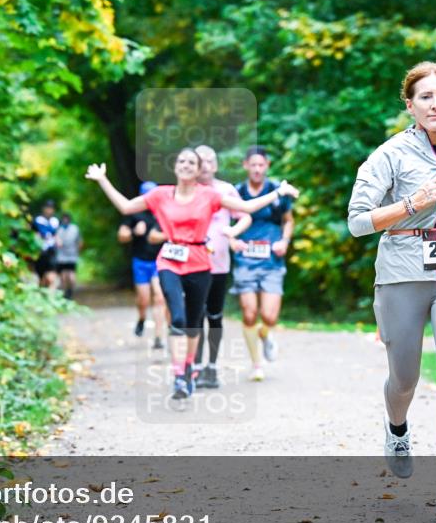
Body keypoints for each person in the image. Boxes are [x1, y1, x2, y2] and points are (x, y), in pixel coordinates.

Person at [346, 61, 436, 521]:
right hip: (402, 274)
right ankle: (396, 427)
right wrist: (412, 203)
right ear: (409, 105)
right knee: (405, 378)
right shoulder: (388, 155)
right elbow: (357, 222)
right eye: (426, 97)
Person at [85, 149, 300, 401]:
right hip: (170, 261)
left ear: (199, 171)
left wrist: (278, 192)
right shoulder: (161, 194)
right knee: (178, 317)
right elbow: (125, 206)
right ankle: (179, 376)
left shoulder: (210, 195)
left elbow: (246, 207)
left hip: (200, 262)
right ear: (175, 167)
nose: (186, 165)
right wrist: (102, 180)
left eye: (192, 163)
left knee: (195, 322)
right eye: (182, 161)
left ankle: (189, 368)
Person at [229, 146, 294, 382]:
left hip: (271, 260)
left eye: (261, 165)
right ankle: (256, 364)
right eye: (252, 165)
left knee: (269, 316)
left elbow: (288, 221)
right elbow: (225, 223)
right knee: (249, 313)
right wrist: (233, 240)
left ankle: (265, 334)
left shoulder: (278, 190)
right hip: (244, 259)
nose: (257, 169)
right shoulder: (235, 193)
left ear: (266, 166)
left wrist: (284, 241)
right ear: (246, 165)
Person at [192, 145, 252, 389]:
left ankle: (212, 367)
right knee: (194, 318)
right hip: (191, 266)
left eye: (210, 160)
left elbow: (245, 216)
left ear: (215, 165)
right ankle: (194, 367)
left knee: (214, 317)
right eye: (201, 160)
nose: (205, 165)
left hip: (218, 265)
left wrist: (233, 232)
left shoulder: (226, 190)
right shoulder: (187, 190)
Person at [118, 181, 167, 350]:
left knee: (160, 298)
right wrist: (133, 232)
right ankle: (141, 318)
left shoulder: (164, 213)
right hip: (140, 261)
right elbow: (121, 236)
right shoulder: (134, 214)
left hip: (159, 261)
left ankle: (159, 337)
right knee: (143, 299)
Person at [32, 200, 60, 289]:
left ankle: (50, 294)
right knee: (40, 275)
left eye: (51, 208)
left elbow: (55, 234)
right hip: (40, 250)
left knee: (51, 275)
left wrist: (58, 240)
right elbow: (34, 233)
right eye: (47, 208)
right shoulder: (38, 220)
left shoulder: (55, 221)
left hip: (51, 250)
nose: (49, 210)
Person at [55, 213, 82, 300]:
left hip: (72, 255)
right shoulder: (59, 229)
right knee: (63, 275)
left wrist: (77, 251)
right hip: (62, 256)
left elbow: (80, 241)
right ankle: (66, 292)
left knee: (71, 275)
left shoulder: (74, 229)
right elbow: (56, 240)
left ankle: (70, 291)